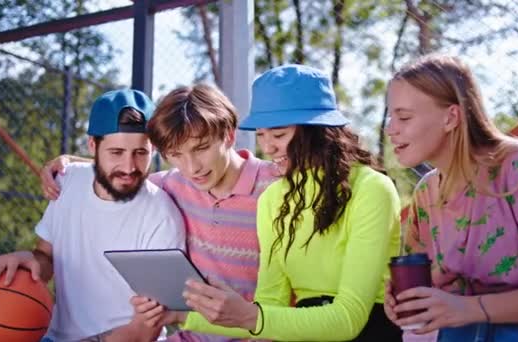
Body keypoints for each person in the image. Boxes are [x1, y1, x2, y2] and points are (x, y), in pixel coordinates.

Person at [136, 64, 404, 341]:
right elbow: (268, 309)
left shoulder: (372, 189)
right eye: (262, 135)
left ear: (318, 130)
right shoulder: (275, 199)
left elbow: (349, 319)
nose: (269, 147)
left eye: (279, 135)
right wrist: (181, 315)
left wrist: (251, 316)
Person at [39, 84, 279, 341]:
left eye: (201, 148)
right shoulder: (175, 184)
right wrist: (71, 163)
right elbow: (123, 173)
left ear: (229, 136)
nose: (192, 167)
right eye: (176, 154)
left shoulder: (278, 189)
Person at [383, 55, 518, 341]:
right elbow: (435, 293)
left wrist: (470, 309)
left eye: (404, 117)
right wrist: (405, 300)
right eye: (390, 116)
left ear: (451, 117)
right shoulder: (426, 193)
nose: (390, 128)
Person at [0, 89, 186, 342]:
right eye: (116, 153)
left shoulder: (161, 215)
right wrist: (25, 259)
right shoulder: (69, 180)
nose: (129, 167)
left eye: (141, 153)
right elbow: (46, 257)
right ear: (92, 146)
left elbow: (145, 329)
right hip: (52, 335)